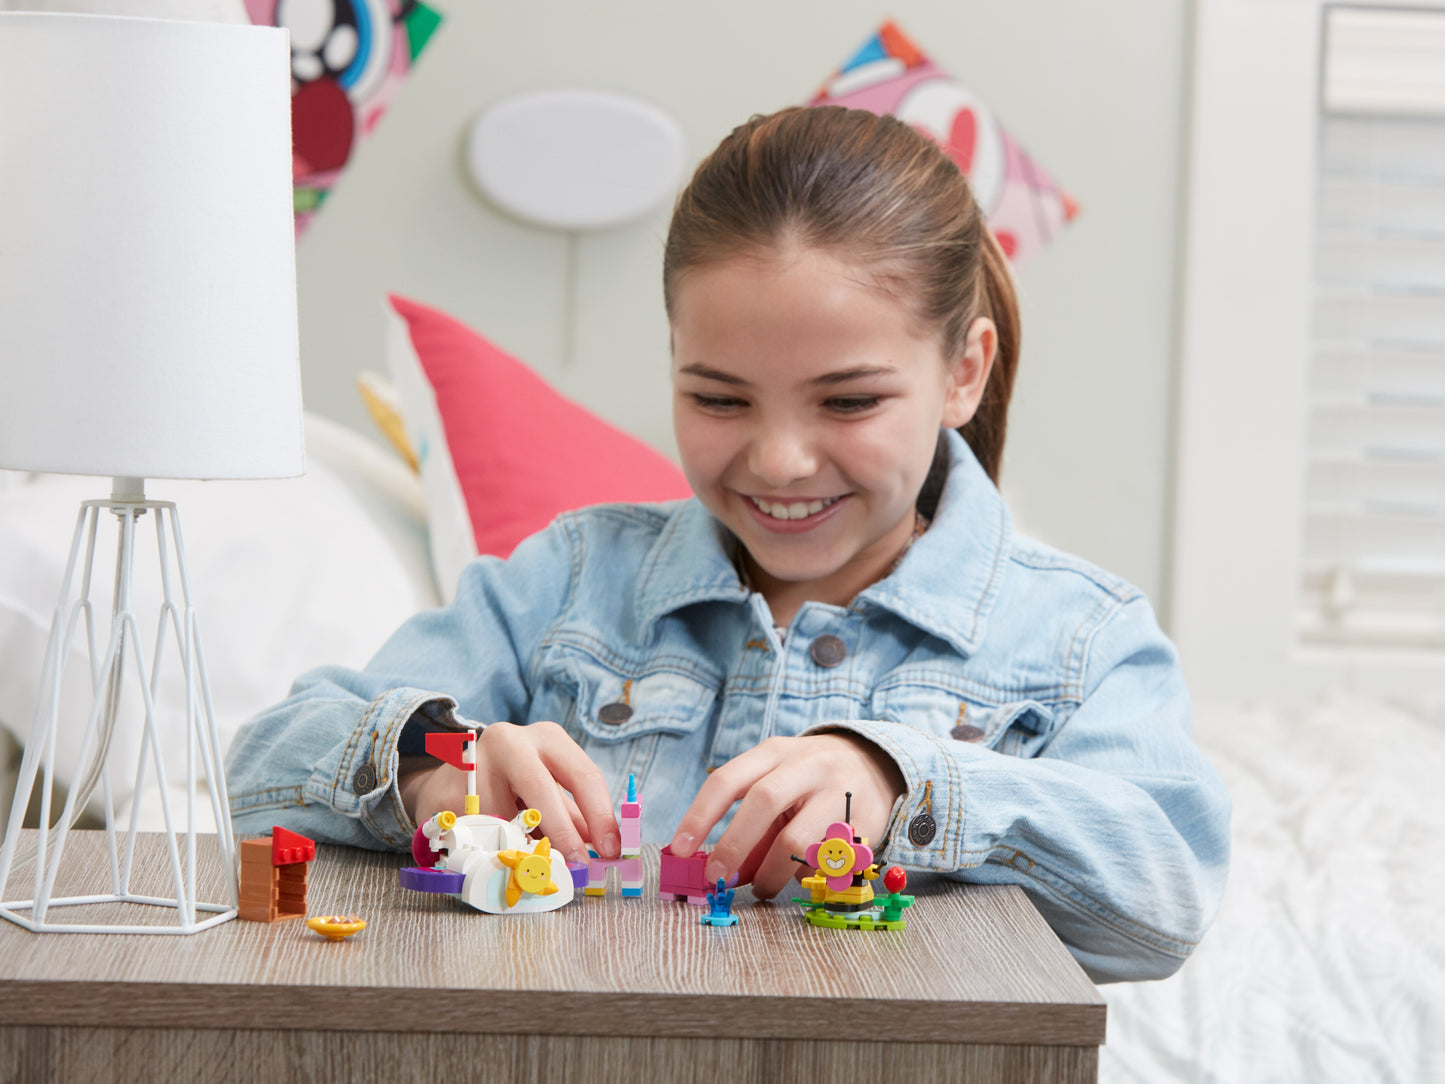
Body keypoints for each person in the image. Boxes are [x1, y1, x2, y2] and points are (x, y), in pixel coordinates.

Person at [227, 105, 1230, 983]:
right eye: (718, 398)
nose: (779, 460)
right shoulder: (569, 583)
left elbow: (1168, 894)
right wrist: (440, 767)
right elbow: (259, 768)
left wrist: (906, 786)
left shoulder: (1075, 636)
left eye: (848, 401)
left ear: (961, 372)